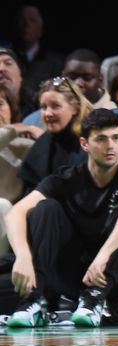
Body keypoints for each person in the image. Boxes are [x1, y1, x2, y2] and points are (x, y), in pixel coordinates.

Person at [5, 109, 118, 327]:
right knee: (45, 208)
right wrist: (22, 256)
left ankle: (95, 299)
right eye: (101, 139)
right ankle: (35, 300)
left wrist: (105, 253)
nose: (111, 146)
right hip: (77, 274)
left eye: (116, 138)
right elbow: (15, 213)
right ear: (85, 144)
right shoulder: (65, 178)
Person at [19, 77, 93, 195]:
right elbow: (28, 191)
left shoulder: (92, 141)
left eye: (55, 106)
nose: (48, 113)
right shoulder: (42, 144)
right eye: (44, 107)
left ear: (75, 108)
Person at [0, 84, 38, 255]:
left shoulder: (27, 147)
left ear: (11, 108)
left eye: (0, 104)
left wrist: (43, 137)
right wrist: (11, 130)